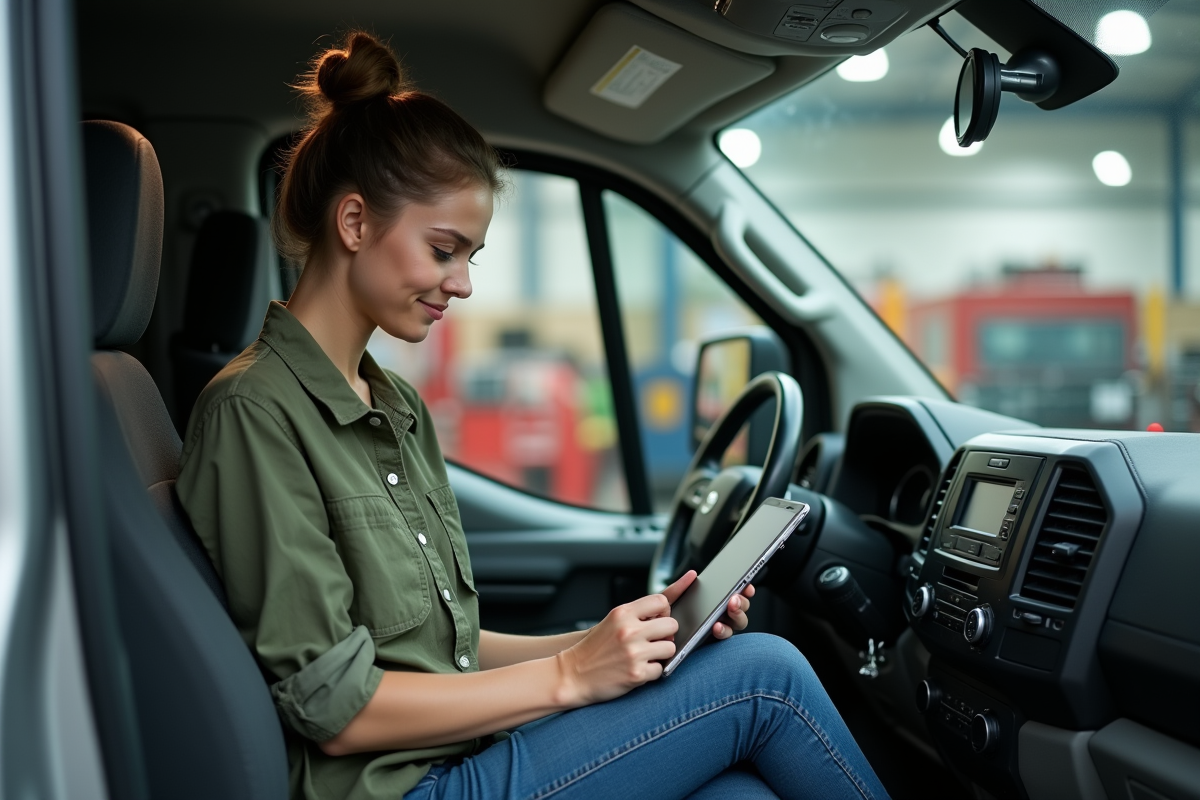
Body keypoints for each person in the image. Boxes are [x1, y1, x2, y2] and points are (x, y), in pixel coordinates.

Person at [176, 31, 890, 800]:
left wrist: (619, 639)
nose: (463, 284)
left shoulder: (394, 403)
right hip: (405, 789)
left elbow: (444, 652)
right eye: (444, 249)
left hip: (458, 758)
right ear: (354, 224)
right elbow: (337, 709)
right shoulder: (253, 413)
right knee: (766, 677)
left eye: (471, 257)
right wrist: (568, 678)